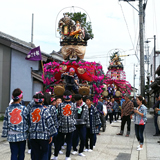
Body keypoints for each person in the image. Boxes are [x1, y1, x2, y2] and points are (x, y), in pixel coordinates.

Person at [2, 88, 29, 160]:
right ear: (21, 98)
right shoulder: (24, 108)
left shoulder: (8, 109)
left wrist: (4, 134)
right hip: (22, 134)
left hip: (11, 134)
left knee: (14, 153)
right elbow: (28, 121)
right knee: (21, 153)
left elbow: (5, 122)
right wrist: (28, 133)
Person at [29, 92, 57, 160]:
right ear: (43, 100)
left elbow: (28, 122)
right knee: (44, 153)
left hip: (33, 135)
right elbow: (50, 123)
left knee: (35, 153)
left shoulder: (31, 110)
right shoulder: (45, 110)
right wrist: (51, 134)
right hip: (43, 136)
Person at [52, 90, 76, 160]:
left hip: (62, 125)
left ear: (63, 97)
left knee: (58, 141)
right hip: (71, 125)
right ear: (71, 97)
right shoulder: (74, 105)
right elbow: (74, 114)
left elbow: (59, 114)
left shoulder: (60, 105)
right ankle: (67, 157)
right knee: (69, 142)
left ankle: (56, 156)